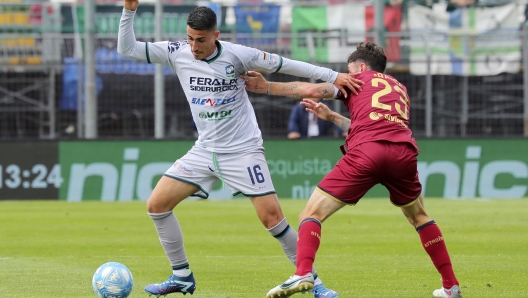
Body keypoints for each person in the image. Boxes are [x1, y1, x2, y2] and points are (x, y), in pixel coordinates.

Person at [117, 1, 361, 297]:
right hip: (204, 151)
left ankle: (314, 282)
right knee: (157, 205)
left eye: (201, 40)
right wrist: (128, 11)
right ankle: (181, 276)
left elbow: (287, 64)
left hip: (243, 151)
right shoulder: (176, 53)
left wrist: (333, 76)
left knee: (273, 220)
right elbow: (127, 49)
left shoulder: (238, 55)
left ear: (215, 35)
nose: (194, 46)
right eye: (190, 38)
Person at [242, 41, 462, 298]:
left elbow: (310, 88)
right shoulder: (400, 88)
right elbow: (373, 125)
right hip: (404, 153)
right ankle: (451, 286)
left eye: (349, 69)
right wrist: (333, 117)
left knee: (310, 214)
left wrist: (267, 86)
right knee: (420, 217)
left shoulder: (355, 79)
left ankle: (302, 272)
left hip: (367, 152)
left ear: (360, 66)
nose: (347, 75)